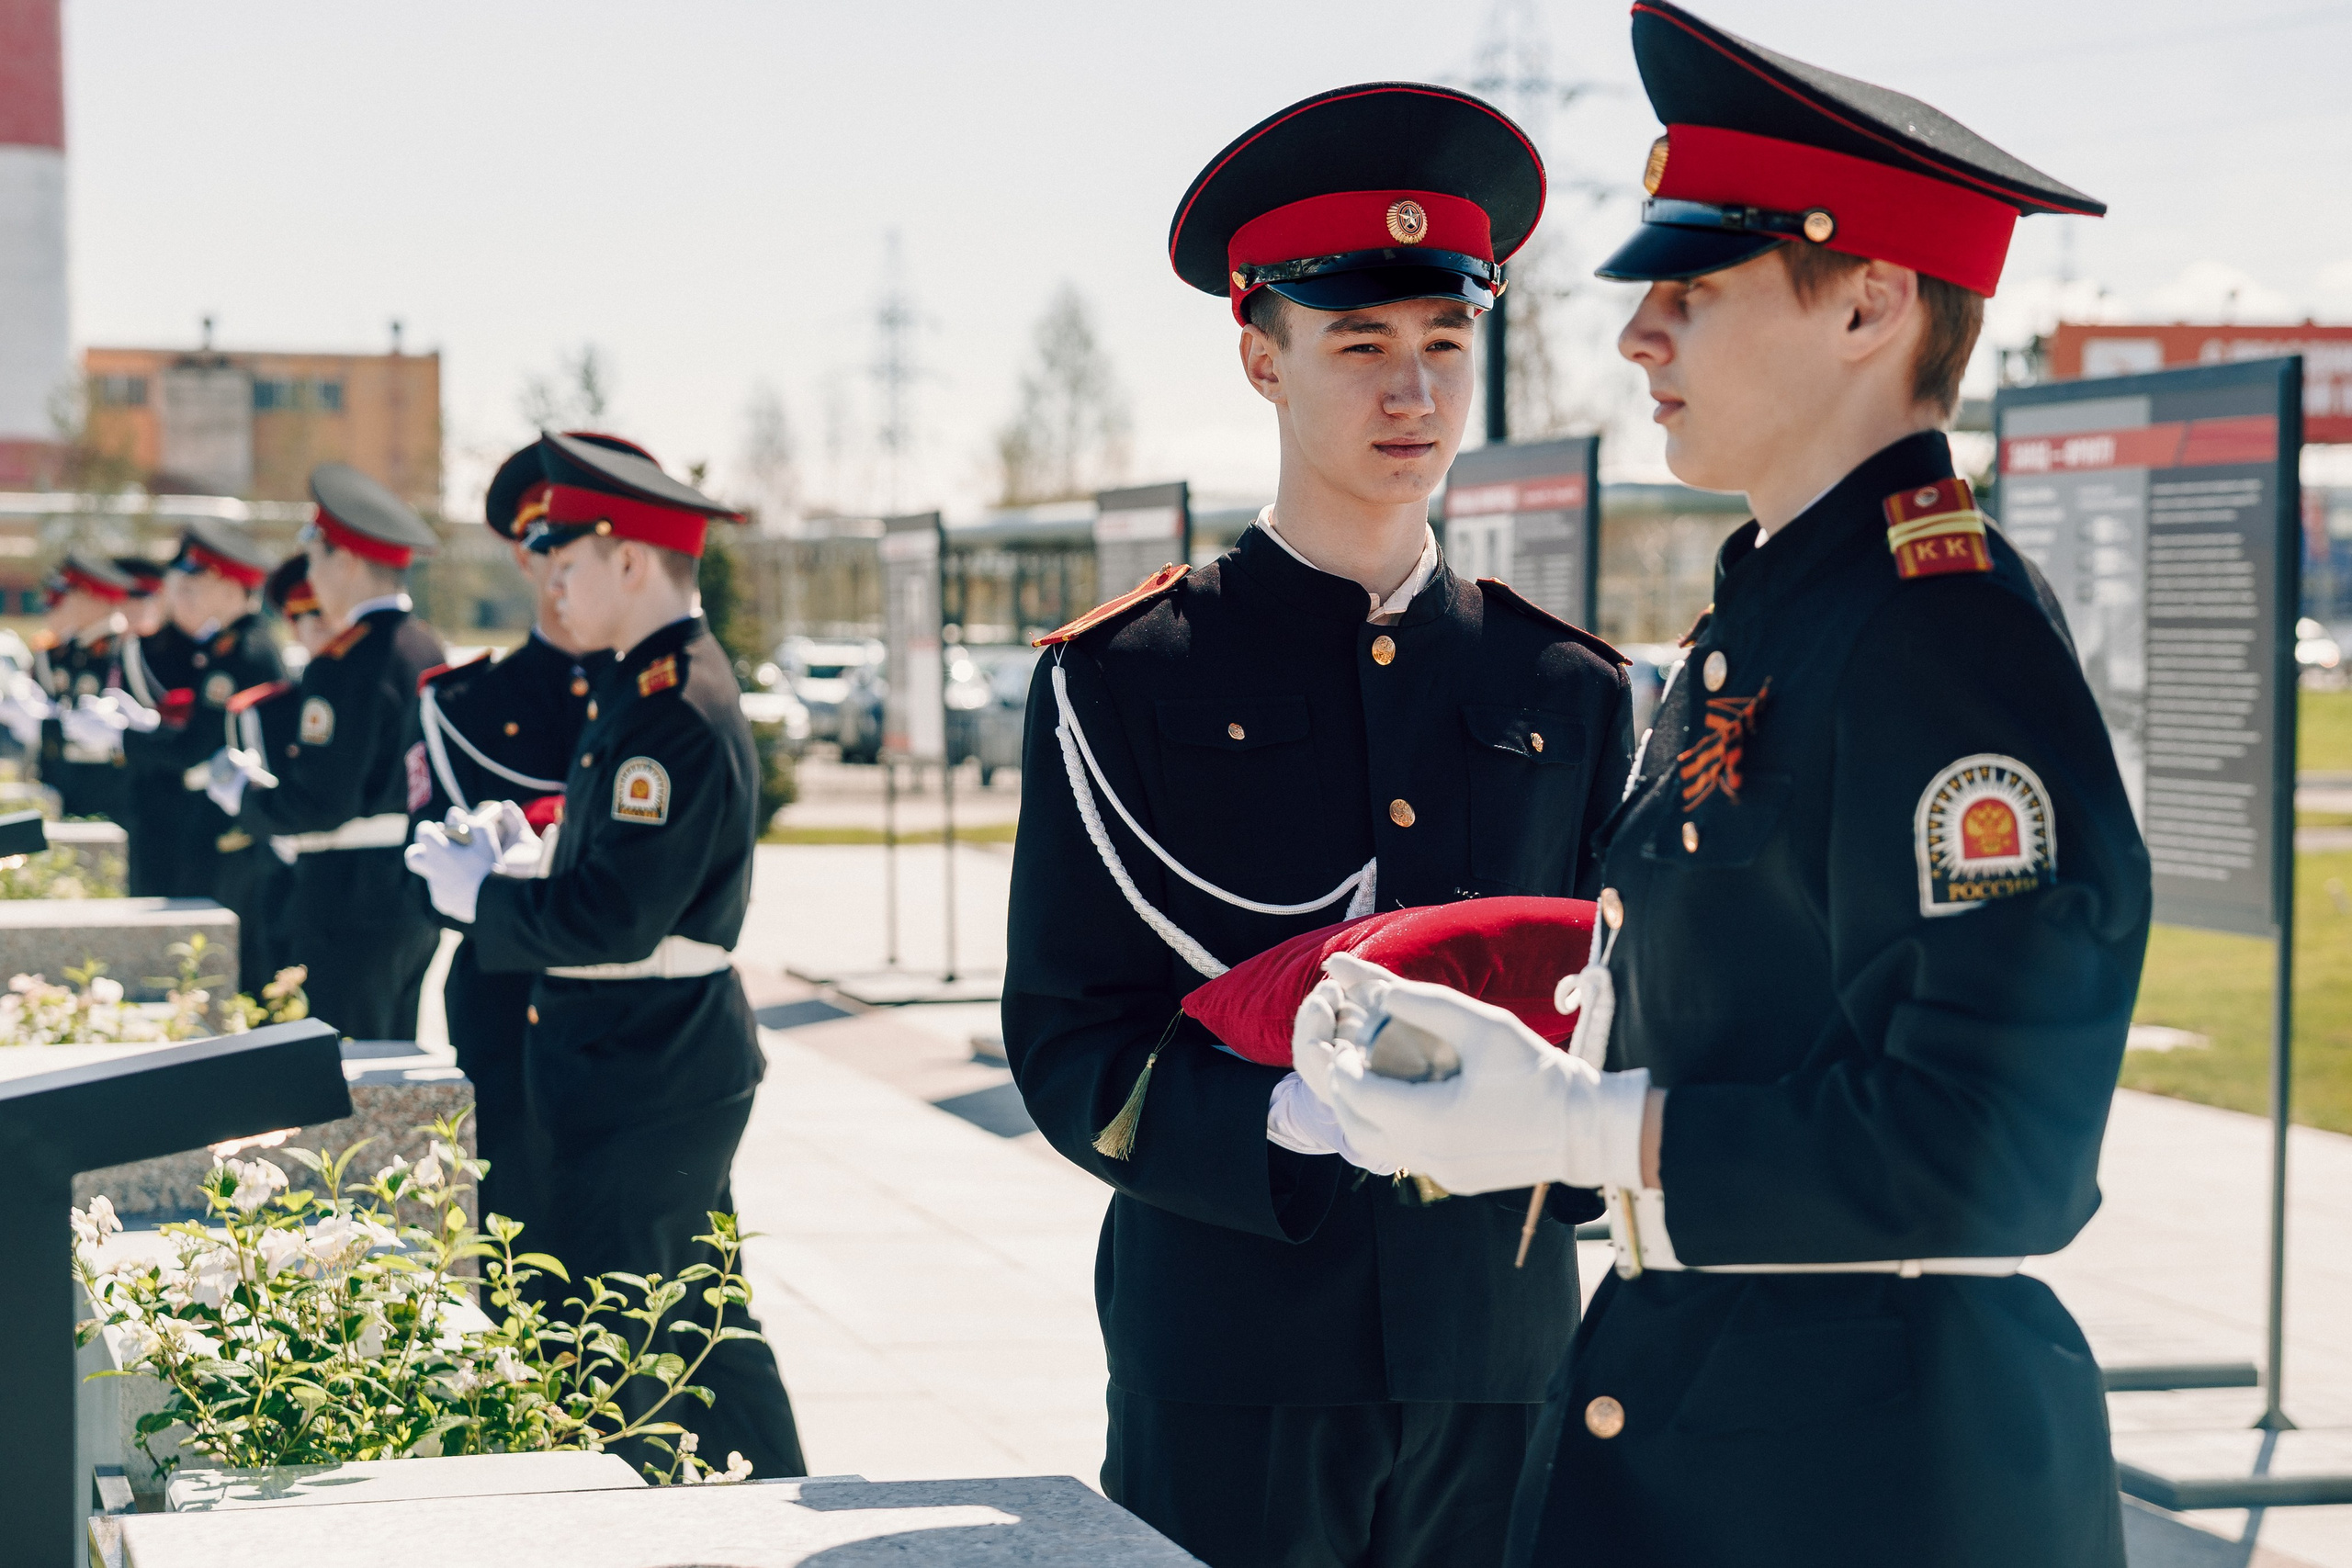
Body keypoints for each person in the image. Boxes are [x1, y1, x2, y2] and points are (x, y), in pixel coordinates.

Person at [1306, 7, 2151, 1565]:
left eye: (1692, 291)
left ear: (1870, 304)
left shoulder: (1938, 635)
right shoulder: (1779, 610)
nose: (1640, 336)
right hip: (1724, 1424)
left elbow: (1996, 1146)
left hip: (1875, 1476)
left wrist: (1590, 1129)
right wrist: (1504, 1073)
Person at [1001, 85, 1632, 1568]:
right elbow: (1070, 1033)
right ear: (1261, 358)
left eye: (1446, 343)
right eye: (1359, 344)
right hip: (1235, 1343)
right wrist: (1279, 1116)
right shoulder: (1128, 674)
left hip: (1497, 1345)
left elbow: (1615, 996)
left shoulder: (1565, 684)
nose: (1412, 392)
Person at [402, 431, 805, 1479]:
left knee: (622, 1336)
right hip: (643, 1053)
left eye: (568, 562)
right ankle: (763, 1493)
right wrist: (524, 857)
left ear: (627, 560)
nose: (554, 586)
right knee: (693, 1322)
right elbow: (624, 872)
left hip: (650, 1059)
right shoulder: (643, 690)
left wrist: (485, 898)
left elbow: (619, 917)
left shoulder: (670, 707)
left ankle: (658, 1515)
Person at [402, 432, 619, 1235]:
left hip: (630, 1013)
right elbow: (419, 875)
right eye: (544, 542)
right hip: (506, 1006)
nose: (561, 566)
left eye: (580, 543)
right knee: (511, 1244)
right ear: (524, 556)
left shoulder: (658, 701)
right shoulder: (462, 706)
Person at [213, 464, 446, 1040]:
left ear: (346, 561)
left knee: (343, 1069)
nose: (311, 576)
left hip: (347, 896)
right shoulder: (426, 646)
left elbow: (322, 802)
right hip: (412, 889)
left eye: (316, 558)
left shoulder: (343, 664)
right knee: (394, 1063)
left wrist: (246, 798)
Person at [119, 521, 283, 906]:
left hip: (231, 823)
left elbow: (195, 747)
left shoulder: (241, 652)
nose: (185, 596)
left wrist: (123, 737)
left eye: (197, 586)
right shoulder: (230, 644)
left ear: (228, 588)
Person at [31, 553, 134, 821]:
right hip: (68, 781)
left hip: (113, 789)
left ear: (97, 600)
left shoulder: (125, 648)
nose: (67, 604)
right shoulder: (71, 648)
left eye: (75, 596)